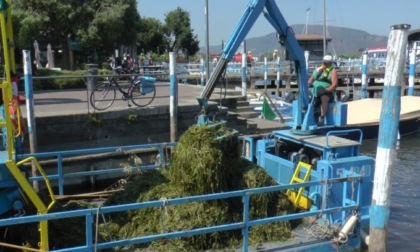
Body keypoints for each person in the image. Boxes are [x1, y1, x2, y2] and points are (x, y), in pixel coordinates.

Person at [307, 55, 338, 126]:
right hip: (314, 91)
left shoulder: (333, 71)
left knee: (324, 98)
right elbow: (311, 79)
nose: (325, 64)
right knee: (306, 97)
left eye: (327, 63)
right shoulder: (318, 70)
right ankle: (309, 116)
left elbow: (334, 85)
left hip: (327, 92)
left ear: (330, 63)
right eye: (324, 62)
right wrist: (308, 84)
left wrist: (325, 91)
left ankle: (322, 117)